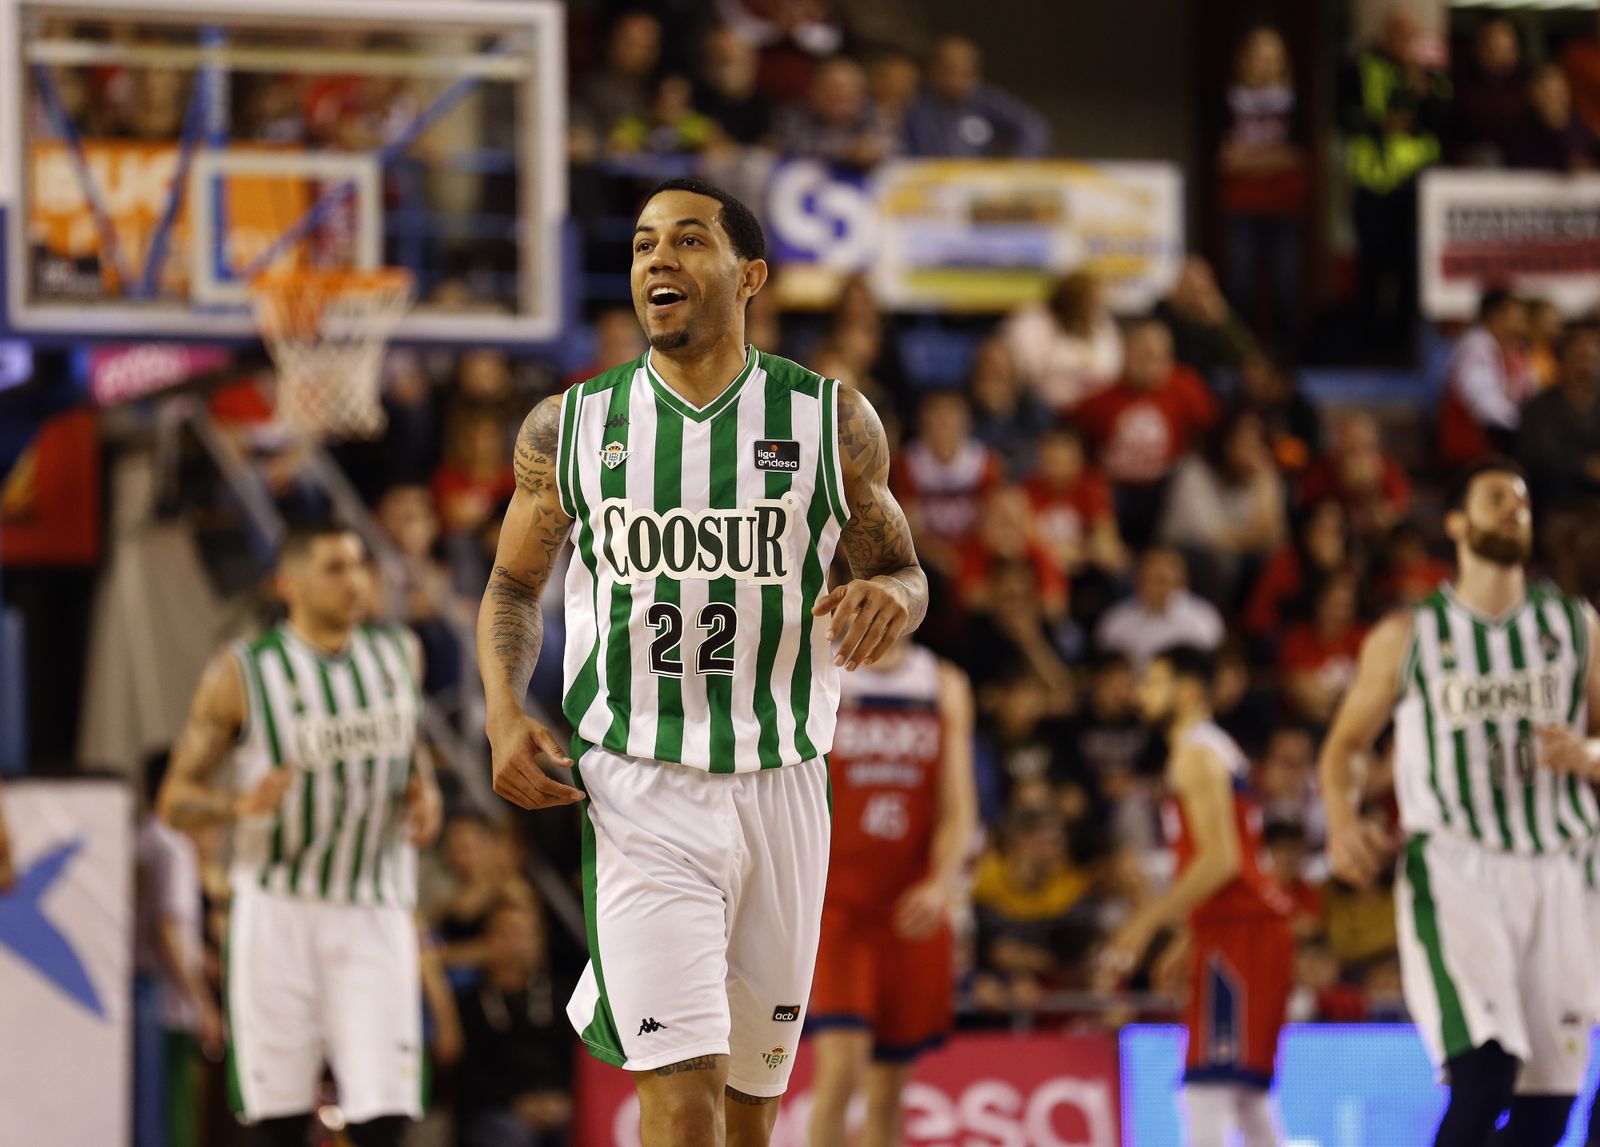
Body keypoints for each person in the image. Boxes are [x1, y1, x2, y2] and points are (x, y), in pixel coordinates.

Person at [476, 177, 926, 1147]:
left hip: (784, 784)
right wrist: (505, 712)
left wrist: (891, 597)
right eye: (642, 246)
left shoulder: (829, 421)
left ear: (749, 273)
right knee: (680, 1098)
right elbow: (512, 586)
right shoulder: (570, 427)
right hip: (640, 785)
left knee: (748, 1113)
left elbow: (901, 569)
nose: (657, 262)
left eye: (685, 242)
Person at [1319, 460, 1600, 1147]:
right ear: (1457, 523)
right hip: (1456, 865)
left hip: (1562, 866)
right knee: (1484, 1069)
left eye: (1524, 503)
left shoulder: (1575, 623)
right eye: (1497, 499)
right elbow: (1347, 744)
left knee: (1546, 1114)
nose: (1514, 511)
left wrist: (1590, 756)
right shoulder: (1408, 635)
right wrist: (1341, 816)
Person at [156, 522, 444, 1147]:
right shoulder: (241, 672)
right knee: (278, 1116)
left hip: (374, 903)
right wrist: (239, 804)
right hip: (277, 907)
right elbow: (173, 802)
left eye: (360, 565)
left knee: (385, 1113)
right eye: (334, 568)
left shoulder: (400, 653)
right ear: (289, 583)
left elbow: (411, 743)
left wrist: (428, 791)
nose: (355, 581)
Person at [1100, 646, 1294, 1147]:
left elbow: (1221, 860)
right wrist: (1188, 938)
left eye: (1153, 683)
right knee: (1245, 1091)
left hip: (1243, 930)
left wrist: (1144, 923)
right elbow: (1230, 863)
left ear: (1186, 690)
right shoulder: (1214, 747)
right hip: (1239, 927)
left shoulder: (1194, 752)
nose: (1142, 694)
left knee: (1207, 1087)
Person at [806, 640, 977, 1147]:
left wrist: (941, 883)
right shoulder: (819, 666)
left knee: (889, 1088)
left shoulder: (944, 682)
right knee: (842, 1068)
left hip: (909, 905)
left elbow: (958, 804)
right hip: (835, 901)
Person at [1339, 5, 1451, 362]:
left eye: (1409, 34)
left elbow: (1444, 122)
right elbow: (1344, 116)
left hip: (1416, 187)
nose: (1403, 41)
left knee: (1410, 270)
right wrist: (1382, 124)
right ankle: (1367, 349)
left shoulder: (1430, 73)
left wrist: (1422, 89)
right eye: (1396, 33)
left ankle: (1404, 349)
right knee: (1372, 270)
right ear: (1384, 35)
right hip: (1373, 184)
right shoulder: (1361, 66)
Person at [1075, 316, 1219, 548]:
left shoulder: (1185, 388)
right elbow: (1074, 444)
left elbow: (1215, 433)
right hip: (1114, 490)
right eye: (1142, 355)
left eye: (1157, 357)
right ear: (1126, 355)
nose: (1150, 364)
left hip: (1165, 488)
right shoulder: (1098, 401)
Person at [452, 898, 576, 1147]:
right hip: (497, 1109)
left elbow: (578, 1059)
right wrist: (514, 1103)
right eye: (507, 934)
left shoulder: (563, 997)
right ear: (488, 938)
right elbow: (467, 1072)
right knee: (510, 1134)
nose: (517, 944)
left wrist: (564, 1100)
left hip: (560, 1103)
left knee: (586, 1127)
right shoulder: (471, 1004)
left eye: (526, 935)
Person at [1217, 25, 1308, 345]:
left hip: (1284, 203)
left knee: (1285, 284)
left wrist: (1250, 158)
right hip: (1240, 203)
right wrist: (1271, 158)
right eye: (1258, 56)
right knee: (1240, 284)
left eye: (1272, 57)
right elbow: (1226, 160)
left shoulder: (1295, 102)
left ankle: (1284, 356)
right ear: (1245, 61)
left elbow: (1298, 156)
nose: (1264, 64)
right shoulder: (1229, 99)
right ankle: (1242, 352)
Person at [999, 270, 1122, 416]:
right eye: (1084, 300)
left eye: (1094, 302)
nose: (1089, 307)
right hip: (1045, 410)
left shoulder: (1102, 324)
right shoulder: (1032, 322)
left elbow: (1112, 371)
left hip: (1094, 410)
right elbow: (1025, 379)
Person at [903, 36, 1048, 159]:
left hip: (980, 179)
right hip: (931, 179)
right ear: (933, 71)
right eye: (949, 71)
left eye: (965, 73)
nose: (957, 80)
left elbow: (1032, 126)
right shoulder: (915, 104)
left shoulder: (985, 100)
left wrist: (1020, 160)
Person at [1438, 289, 1535, 472]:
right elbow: (1484, 406)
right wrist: (1527, 424)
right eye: (1517, 316)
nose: (1522, 323)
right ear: (1495, 316)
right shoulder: (1474, 347)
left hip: (1501, 439)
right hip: (1471, 444)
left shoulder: (1514, 350)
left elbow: (1531, 392)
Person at [1095, 546, 1224, 669]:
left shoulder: (1202, 619)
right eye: (1149, 579)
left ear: (1181, 581)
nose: (1157, 589)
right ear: (1138, 581)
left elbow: (1208, 669)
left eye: (1162, 580)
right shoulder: (1115, 620)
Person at [773, 56, 897, 170]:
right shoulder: (794, 112)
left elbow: (891, 145)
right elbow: (793, 145)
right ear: (814, 90)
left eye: (848, 91)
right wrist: (846, 150)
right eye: (832, 88)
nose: (839, 94)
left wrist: (873, 151)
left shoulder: (872, 112)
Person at [1505, 64, 1600, 173]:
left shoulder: (1581, 129)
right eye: (1547, 93)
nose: (1554, 99)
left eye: (1559, 92)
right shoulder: (1519, 131)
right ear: (1533, 95)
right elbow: (1522, 165)